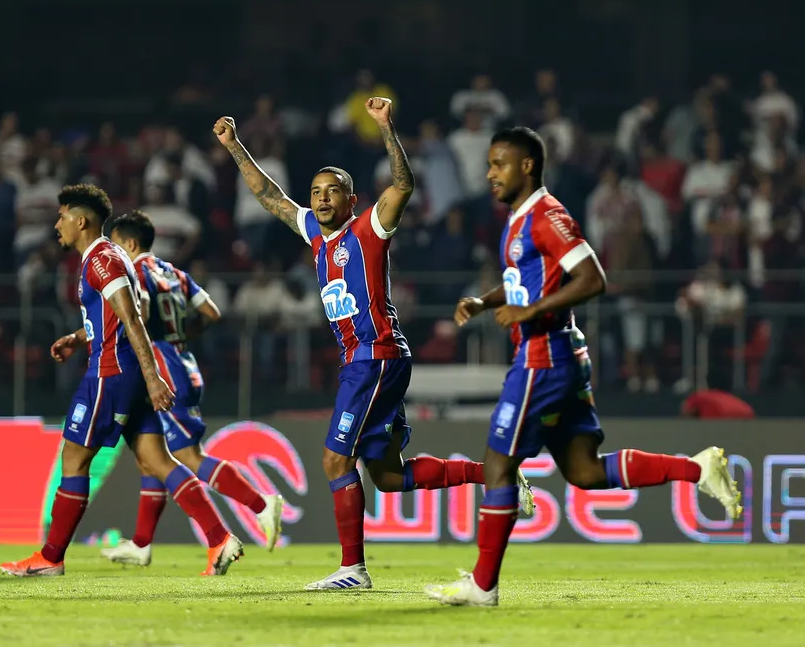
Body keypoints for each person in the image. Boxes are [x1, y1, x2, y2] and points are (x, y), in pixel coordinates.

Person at [215, 98, 535, 592]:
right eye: (316, 192)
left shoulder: (368, 230)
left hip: (375, 356)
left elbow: (403, 186)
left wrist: (386, 127)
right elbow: (269, 196)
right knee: (388, 476)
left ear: (350, 201)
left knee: (334, 460)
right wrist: (235, 145)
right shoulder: (315, 239)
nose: (321, 199)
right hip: (367, 362)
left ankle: (353, 570)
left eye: (333, 192)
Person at [426, 127, 742, 608]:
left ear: (527, 166)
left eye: (499, 163)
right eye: (489, 164)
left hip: (543, 356)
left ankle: (483, 586)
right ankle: (697, 468)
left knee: (497, 463)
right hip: (559, 356)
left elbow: (593, 277)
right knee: (585, 471)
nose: (490, 173)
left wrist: (530, 313)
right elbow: (527, 282)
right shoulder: (518, 219)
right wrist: (486, 301)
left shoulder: (548, 216)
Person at [0, 185, 243, 579]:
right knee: (157, 460)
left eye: (62, 217)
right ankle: (219, 539)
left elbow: (133, 320)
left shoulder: (100, 260)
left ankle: (50, 557)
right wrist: (81, 337)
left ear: (82, 221)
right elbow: (128, 312)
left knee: (74, 460)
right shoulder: (110, 259)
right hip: (125, 371)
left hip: (110, 374)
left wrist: (154, 377)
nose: (56, 224)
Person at [102, 210, 285, 569]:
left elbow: (136, 313)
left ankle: (261, 504)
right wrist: (181, 338)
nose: (114, 252)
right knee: (149, 460)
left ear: (131, 243)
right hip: (182, 361)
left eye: (117, 244)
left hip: (163, 370)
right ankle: (140, 544)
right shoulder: (174, 272)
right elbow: (212, 311)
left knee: (185, 456)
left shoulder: (136, 274)